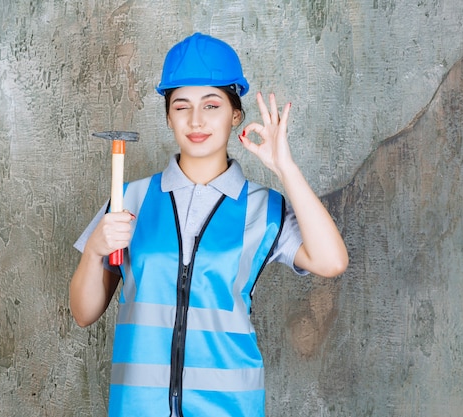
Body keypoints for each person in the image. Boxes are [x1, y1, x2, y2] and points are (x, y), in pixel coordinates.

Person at [69, 32, 348, 417]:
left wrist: (285, 167)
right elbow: (84, 313)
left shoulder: (263, 208)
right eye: (181, 106)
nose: (196, 120)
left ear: (235, 114)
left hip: (229, 406)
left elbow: (332, 261)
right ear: (168, 115)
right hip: (137, 406)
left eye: (211, 104)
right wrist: (96, 249)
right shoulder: (129, 198)